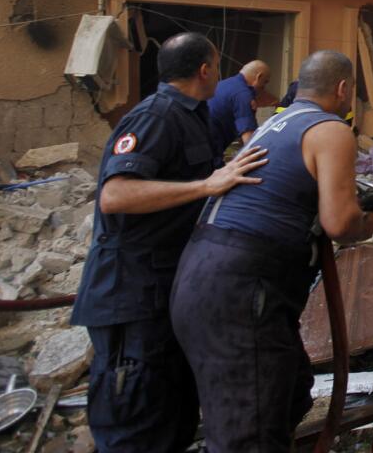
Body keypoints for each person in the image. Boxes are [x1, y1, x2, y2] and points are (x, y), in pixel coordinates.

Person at [70, 32, 269, 453]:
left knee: (170, 418)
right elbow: (115, 194)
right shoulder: (156, 116)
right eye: (217, 65)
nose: (219, 72)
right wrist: (205, 186)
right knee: (136, 424)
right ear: (204, 70)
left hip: (164, 291)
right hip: (131, 296)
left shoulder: (192, 114)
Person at [171, 50, 373, 451]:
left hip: (200, 273)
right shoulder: (331, 129)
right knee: (251, 430)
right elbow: (339, 224)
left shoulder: (275, 122)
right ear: (343, 88)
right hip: (243, 288)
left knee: (290, 390)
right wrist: (366, 221)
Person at [206, 59, 270, 159]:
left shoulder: (224, 84)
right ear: (259, 77)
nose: (264, 88)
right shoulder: (243, 95)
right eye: (265, 82)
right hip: (211, 151)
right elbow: (249, 141)